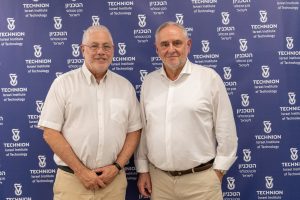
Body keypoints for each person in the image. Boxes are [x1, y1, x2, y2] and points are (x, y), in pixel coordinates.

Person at [135, 21, 238, 200]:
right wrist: (143, 170)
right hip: (160, 183)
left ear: (188, 45)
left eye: (177, 43)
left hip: (201, 183)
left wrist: (218, 172)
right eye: (164, 44)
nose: (171, 49)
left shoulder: (209, 78)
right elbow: (144, 130)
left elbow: (226, 129)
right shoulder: (149, 82)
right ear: (157, 49)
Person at [38, 25, 142, 200]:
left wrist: (116, 167)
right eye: (94, 46)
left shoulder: (125, 87)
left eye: (106, 46)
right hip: (72, 182)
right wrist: (81, 171)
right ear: (82, 50)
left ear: (113, 51)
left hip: (113, 184)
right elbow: (50, 132)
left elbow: (134, 131)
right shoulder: (63, 84)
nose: (101, 51)